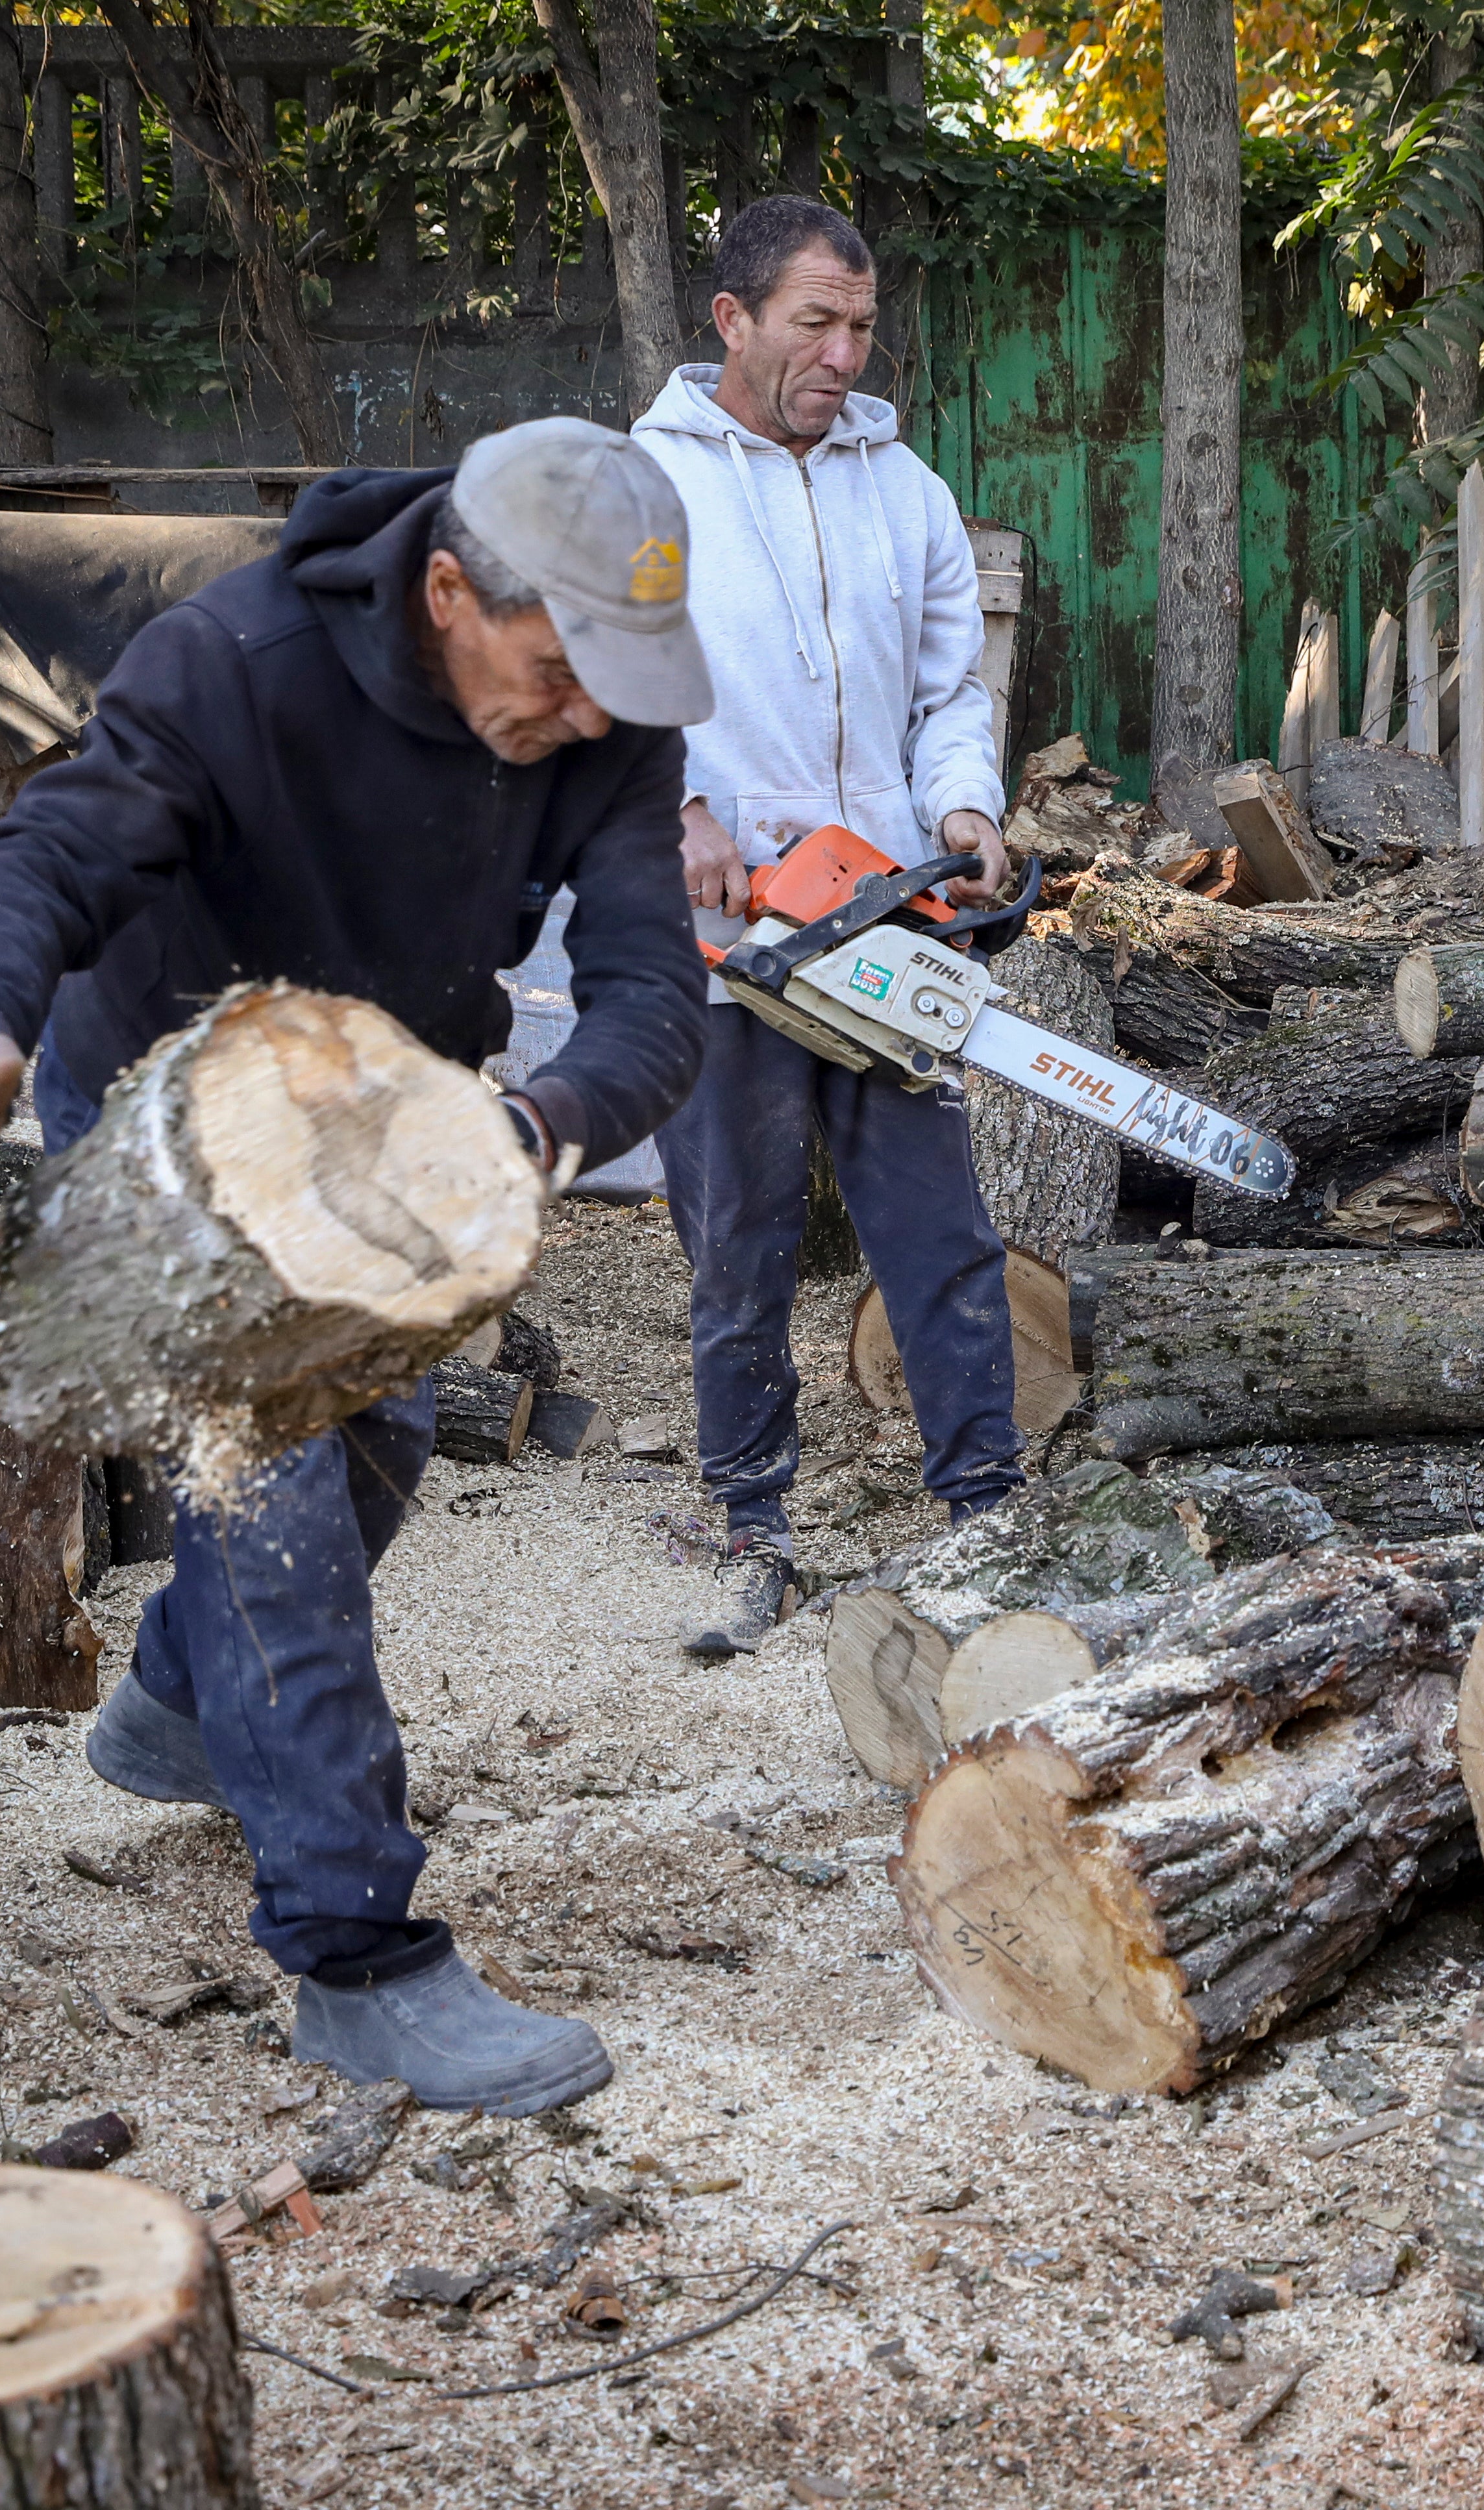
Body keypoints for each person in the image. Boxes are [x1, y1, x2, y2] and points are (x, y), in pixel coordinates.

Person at [0, 419, 713, 2117]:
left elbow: (654, 992)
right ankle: (359, 1963)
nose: (587, 716)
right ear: (445, 592)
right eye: (558, 670)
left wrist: (537, 1121)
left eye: (614, 687)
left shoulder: (607, 708)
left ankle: (181, 1705)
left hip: (388, 1108)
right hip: (171, 1105)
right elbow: (43, 853)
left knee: (386, 1444)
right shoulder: (235, 660)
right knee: (267, 1501)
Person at [633, 195, 1021, 1658]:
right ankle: (749, 1506)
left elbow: (945, 694)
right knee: (735, 1235)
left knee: (936, 1222)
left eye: (859, 325)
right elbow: (611, 685)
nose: (843, 354)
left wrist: (966, 813)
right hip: (732, 925)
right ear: (731, 320)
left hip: (888, 909)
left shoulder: (903, 488)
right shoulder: (647, 482)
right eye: (815, 323)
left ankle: (985, 1497)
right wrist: (678, 811)